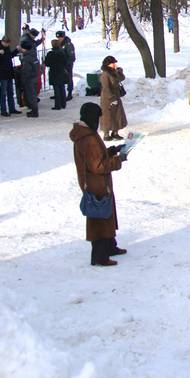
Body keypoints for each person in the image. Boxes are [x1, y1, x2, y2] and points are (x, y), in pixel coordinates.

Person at [70, 102, 126, 267]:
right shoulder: (88, 138)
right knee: (100, 219)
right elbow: (98, 166)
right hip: (97, 184)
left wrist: (112, 151)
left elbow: (95, 158)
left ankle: (110, 246)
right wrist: (117, 161)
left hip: (94, 183)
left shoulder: (85, 134)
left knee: (105, 215)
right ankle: (100, 256)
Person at [100, 56, 128, 141]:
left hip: (116, 96)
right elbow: (106, 88)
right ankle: (106, 134)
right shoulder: (105, 74)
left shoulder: (113, 72)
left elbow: (121, 79)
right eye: (113, 63)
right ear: (108, 64)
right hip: (107, 99)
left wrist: (120, 72)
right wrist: (112, 99)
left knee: (118, 115)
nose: (115, 64)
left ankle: (115, 132)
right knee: (107, 116)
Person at [0, 37, 19, 117]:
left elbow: (9, 56)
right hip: (3, 73)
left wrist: (16, 51)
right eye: (6, 43)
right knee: (3, 92)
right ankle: (3, 110)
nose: (7, 44)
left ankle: (12, 108)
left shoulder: (7, 48)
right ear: (2, 42)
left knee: (10, 92)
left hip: (9, 72)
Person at [18, 39, 40, 118]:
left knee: (31, 95)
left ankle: (34, 111)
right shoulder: (33, 55)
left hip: (29, 79)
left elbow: (25, 71)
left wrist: (22, 78)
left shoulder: (27, 59)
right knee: (33, 94)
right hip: (34, 77)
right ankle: (34, 110)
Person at [45, 39, 68, 110]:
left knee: (56, 89)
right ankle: (63, 103)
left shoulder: (50, 53)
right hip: (61, 71)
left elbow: (47, 63)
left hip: (54, 72)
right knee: (62, 87)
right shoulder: (62, 52)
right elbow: (66, 61)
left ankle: (58, 105)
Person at [55, 31, 76, 100]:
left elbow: (71, 56)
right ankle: (60, 93)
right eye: (58, 38)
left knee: (69, 78)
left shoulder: (68, 44)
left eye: (60, 37)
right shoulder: (60, 44)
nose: (58, 39)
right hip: (61, 65)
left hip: (68, 64)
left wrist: (67, 64)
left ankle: (69, 93)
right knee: (61, 79)